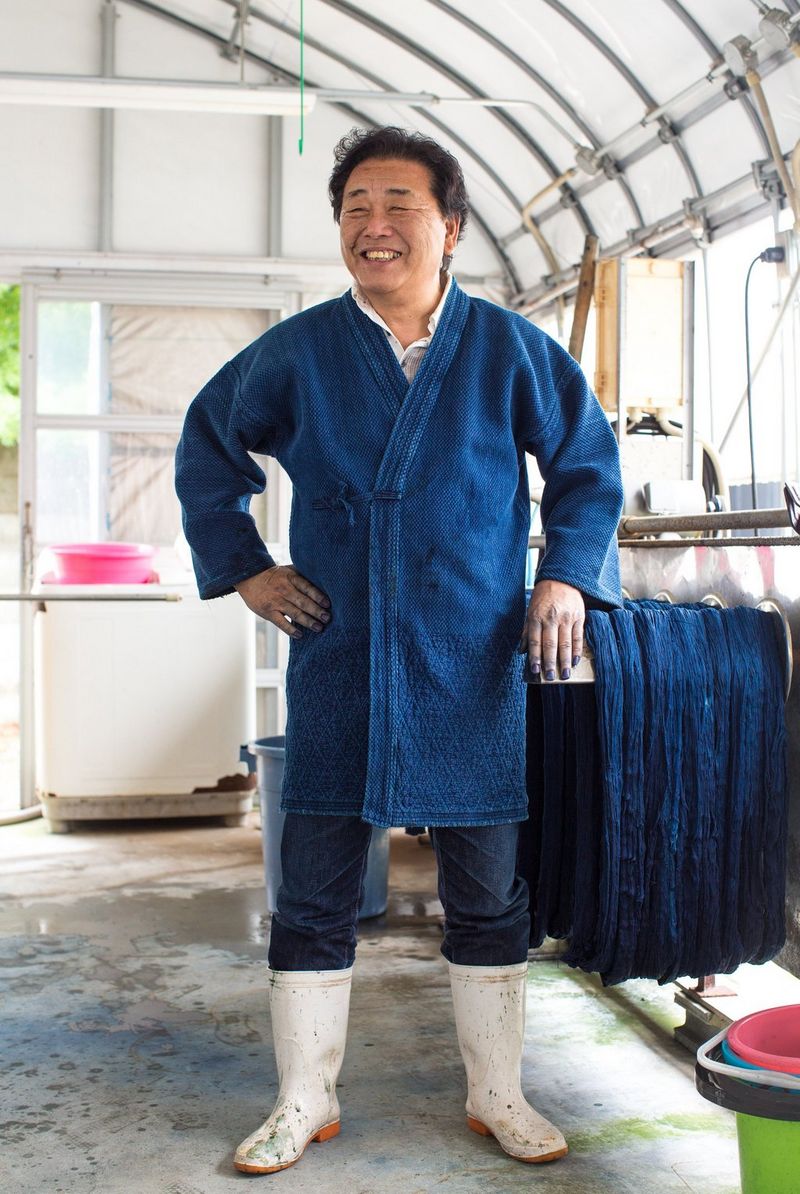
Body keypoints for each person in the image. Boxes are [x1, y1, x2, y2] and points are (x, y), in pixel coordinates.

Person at [174, 126, 623, 1175]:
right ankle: (302, 1096)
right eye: (353, 207)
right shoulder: (297, 352)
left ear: (449, 228)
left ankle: (495, 1092)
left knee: (485, 887)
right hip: (339, 654)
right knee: (315, 885)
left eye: (397, 205)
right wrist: (242, 564)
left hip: (471, 658)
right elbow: (208, 444)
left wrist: (561, 574)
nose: (373, 225)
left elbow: (586, 467)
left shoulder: (509, 348)